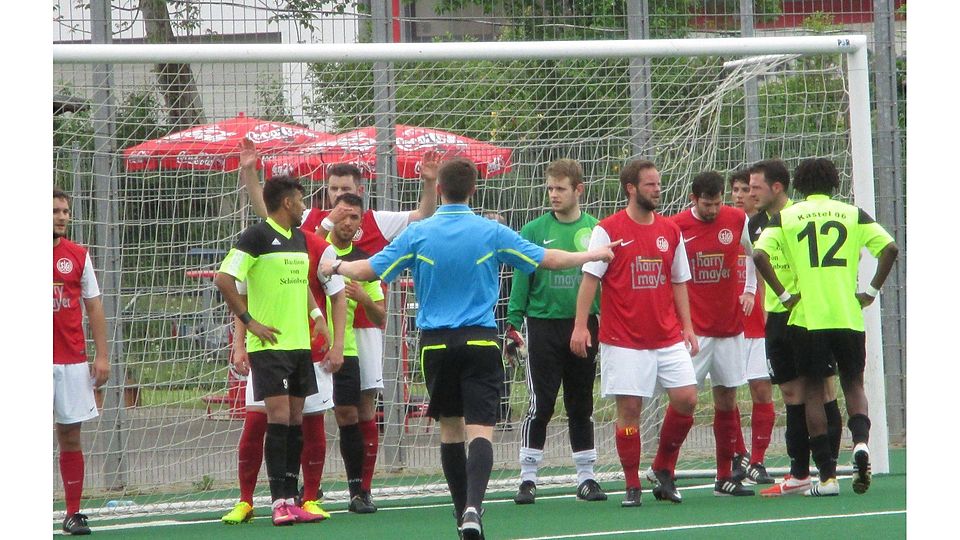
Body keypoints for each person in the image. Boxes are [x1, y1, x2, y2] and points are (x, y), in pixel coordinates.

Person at [318, 157, 617, 540]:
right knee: (481, 432)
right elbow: (547, 260)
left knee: (450, 431)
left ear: (439, 189)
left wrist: (334, 266)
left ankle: (462, 513)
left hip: (435, 345)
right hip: (479, 340)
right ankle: (475, 507)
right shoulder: (490, 230)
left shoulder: (419, 233)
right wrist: (589, 256)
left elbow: (369, 270)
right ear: (474, 190)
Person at [241, 139, 439, 509]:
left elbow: (422, 215)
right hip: (309, 332)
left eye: (346, 191)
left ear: (360, 192)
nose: (339, 198)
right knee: (298, 412)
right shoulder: (310, 225)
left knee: (360, 409)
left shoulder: (376, 220)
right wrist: (251, 173)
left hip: (361, 330)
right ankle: (288, 490)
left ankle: (360, 488)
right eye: (333, 190)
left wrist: (429, 183)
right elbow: (267, 215)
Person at [753, 157, 898, 497]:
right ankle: (861, 443)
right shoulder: (852, 214)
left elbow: (759, 256)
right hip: (847, 313)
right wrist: (871, 290)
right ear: (834, 183)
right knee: (853, 384)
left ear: (799, 186)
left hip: (808, 317)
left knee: (814, 392)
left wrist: (785, 294)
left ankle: (828, 477)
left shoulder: (786, 217)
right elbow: (890, 248)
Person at [571, 159, 699, 508]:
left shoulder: (671, 230)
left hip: (668, 336)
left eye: (658, 184)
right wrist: (581, 326)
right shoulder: (607, 229)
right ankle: (631, 485)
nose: (658, 190)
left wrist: (687, 327)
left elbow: (679, 281)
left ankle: (663, 468)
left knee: (687, 399)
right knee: (629, 410)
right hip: (623, 339)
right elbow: (590, 280)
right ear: (631, 188)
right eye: (650, 185)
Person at [214, 176, 328, 525]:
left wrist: (317, 315)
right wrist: (249, 322)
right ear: (286, 203)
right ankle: (278, 502)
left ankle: (291, 499)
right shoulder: (256, 237)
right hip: (270, 347)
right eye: (301, 199)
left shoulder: (298, 239)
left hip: (299, 344)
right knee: (277, 419)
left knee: (296, 421)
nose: (305, 205)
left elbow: (300, 284)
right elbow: (224, 278)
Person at [505, 159, 606, 504]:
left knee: (581, 402)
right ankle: (528, 478)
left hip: (584, 326)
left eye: (560, 188)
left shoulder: (595, 229)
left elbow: (602, 283)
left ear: (578, 190)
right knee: (540, 404)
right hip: (542, 325)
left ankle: (587, 477)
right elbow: (522, 277)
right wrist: (512, 322)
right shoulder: (533, 230)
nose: (553, 194)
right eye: (550, 188)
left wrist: (602, 320)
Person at [745, 159, 842, 497]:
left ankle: (829, 471)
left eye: (755, 187)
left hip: (809, 314)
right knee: (791, 394)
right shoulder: (755, 224)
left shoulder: (804, 216)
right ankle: (799, 472)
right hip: (776, 315)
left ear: (777, 188)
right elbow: (754, 265)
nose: (749, 193)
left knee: (824, 390)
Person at [670, 171, 757, 497]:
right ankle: (665, 468)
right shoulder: (677, 225)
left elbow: (753, 254)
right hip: (695, 331)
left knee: (727, 398)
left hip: (730, 327)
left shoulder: (736, 219)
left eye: (717, 203)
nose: (713, 210)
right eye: (707, 204)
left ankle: (725, 476)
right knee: (683, 400)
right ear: (694, 199)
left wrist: (749, 289)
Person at [323, 193, 387, 513]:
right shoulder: (316, 249)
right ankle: (301, 491)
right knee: (297, 417)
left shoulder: (363, 262)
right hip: (307, 347)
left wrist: (363, 297)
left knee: (350, 415)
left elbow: (381, 317)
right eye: (344, 216)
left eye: (355, 218)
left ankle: (358, 492)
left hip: (345, 349)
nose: (348, 223)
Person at [54, 187, 111, 535]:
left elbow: (94, 306)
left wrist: (102, 355)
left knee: (70, 437)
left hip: (71, 360)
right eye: (55, 210)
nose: (61, 216)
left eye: (65, 211)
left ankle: (73, 512)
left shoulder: (78, 255)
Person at [728, 170, 776, 485]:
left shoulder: (767, 228)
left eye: (747, 189)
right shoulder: (721, 225)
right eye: (735, 189)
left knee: (761, 388)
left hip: (758, 322)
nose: (741, 194)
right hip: (726, 324)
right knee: (726, 392)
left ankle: (758, 460)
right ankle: (738, 453)